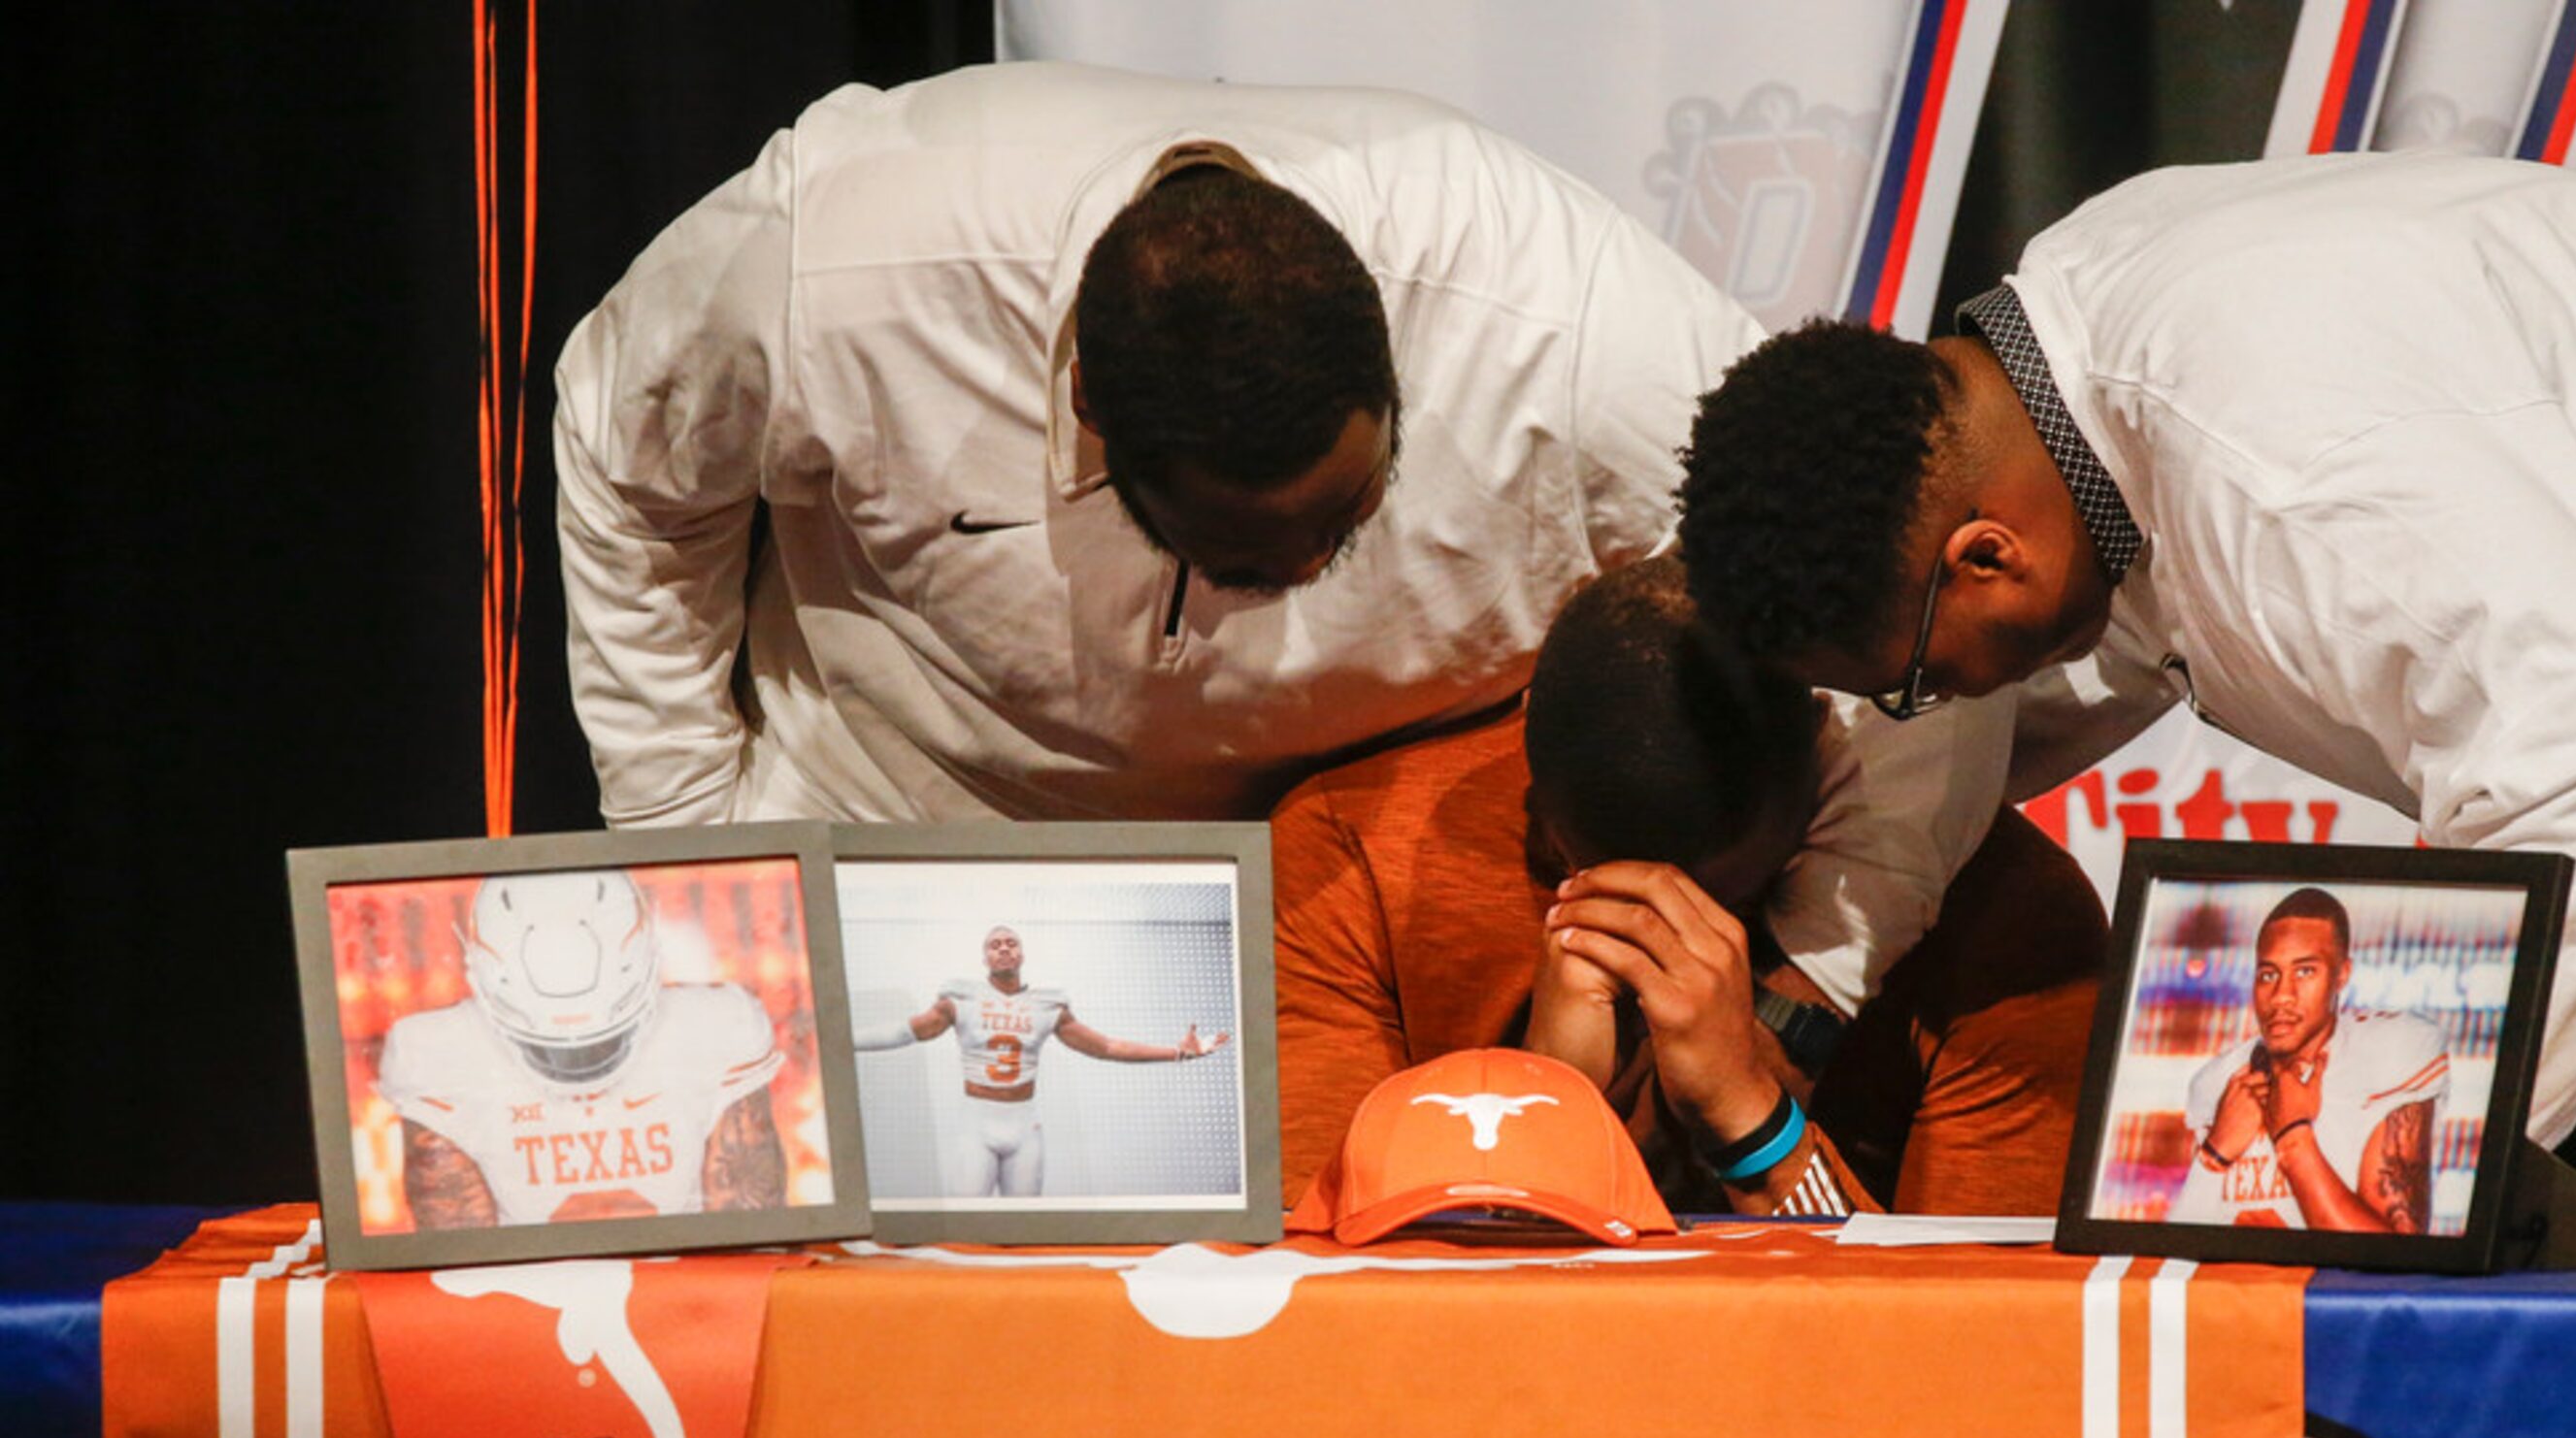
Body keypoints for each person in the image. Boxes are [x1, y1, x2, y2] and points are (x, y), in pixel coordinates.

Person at [554, 60, 2000, 1027]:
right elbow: (628, 461)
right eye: (1247, 556)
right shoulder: (844, 262)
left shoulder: (1569, 336)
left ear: (1392, 375)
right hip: (897, 832)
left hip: (1364, 889)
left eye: (1345, 520)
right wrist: (704, 873)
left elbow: (1906, 623)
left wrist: (1811, 983)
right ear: (1089, 415)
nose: (1300, 577)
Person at [1675, 152, 2576, 1193]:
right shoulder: (2083, 351)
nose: (1932, 715)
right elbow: (2083, 670)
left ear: (1988, 557)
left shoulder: (2285, 471)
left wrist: (2399, 1186)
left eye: (1914, 681)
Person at [1271, 556, 2107, 1217]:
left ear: (1825, 750)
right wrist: (1543, 1109)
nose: (1672, 941)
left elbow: (1970, 1361)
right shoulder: (1347, 864)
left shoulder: (2019, 933)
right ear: (1534, 806)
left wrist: (1753, 1126)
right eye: (1604, 890)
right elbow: (1318, 1310)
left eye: (1740, 898)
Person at [376, 870, 786, 1228]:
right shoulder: (433, 1054)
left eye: (602, 1041)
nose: (577, 1058)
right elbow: (460, 1257)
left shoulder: (717, 1026)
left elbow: (749, 1224)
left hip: (684, 1288)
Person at [857, 925, 1231, 1197]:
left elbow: (1106, 1047)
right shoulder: (960, 999)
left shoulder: (1046, 1004)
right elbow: (906, 1032)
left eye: (1011, 943)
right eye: (994, 945)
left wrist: (1178, 1052)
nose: (1003, 949)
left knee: (1024, 1227)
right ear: (984, 957)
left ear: (1021, 953)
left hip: (1024, 1124)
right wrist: (845, 1041)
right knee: (966, 1224)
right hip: (977, 1122)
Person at [2167, 890, 2448, 1233]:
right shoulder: (2217, 1081)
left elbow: (2397, 1258)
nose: (2282, 996)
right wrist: (2214, 1155)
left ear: (2341, 975)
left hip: (2323, 1289)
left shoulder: (2392, 1049)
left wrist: (2293, 1138)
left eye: (2304, 972)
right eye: (2268, 975)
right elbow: (2174, 1255)